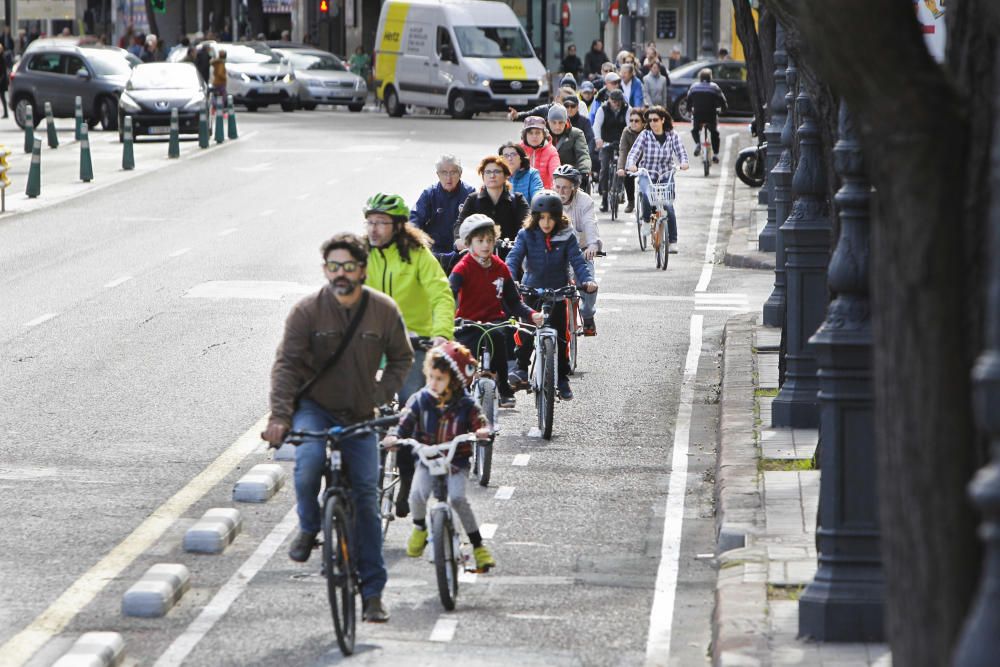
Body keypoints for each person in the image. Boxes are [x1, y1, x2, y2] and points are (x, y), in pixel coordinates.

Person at [262, 232, 413, 624]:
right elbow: (286, 367)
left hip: (361, 413)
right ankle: (309, 526)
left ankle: (374, 593)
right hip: (316, 408)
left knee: (365, 497)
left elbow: (401, 358)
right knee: (308, 461)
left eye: (348, 266)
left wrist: (380, 394)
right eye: (333, 267)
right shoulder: (306, 311)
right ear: (325, 269)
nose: (340, 274)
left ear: (362, 270)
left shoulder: (382, 310)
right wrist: (280, 417)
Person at [363, 192, 456, 519]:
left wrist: (441, 334)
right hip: (370, 344)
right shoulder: (361, 254)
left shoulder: (417, 254)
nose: (374, 229)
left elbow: (441, 294)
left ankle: (405, 480)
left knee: (409, 415)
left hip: (411, 344)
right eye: (370, 222)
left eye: (382, 223)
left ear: (398, 226)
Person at [382, 342, 496, 571]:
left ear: (454, 381)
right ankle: (420, 527)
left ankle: (478, 546)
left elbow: (480, 422)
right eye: (431, 377)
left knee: (457, 499)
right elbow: (405, 423)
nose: (433, 383)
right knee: (416, 495)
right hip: (426, 459)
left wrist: (483, 431)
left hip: (456, 461)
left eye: (440, 379)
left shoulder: (465, 403)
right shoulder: (421, 399)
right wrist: (396, 438)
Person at [506, 191, 597, 401]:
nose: (546, 222)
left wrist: (586, 281)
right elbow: (513, 258)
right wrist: (510, 278)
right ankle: (521, 368)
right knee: (527, 331)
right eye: (542, 217)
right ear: (535, 217)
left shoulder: (567, 235)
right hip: (531, 290)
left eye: (551, 217)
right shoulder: (525, 234)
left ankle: (562, 378)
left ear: (558, 217)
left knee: (562, 336)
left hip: (558, 291)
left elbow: (578, 262)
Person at [450, 214, 542, 407]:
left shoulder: (500, 267)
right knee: (464, 356)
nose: (486, 245)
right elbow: (449, 295)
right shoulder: (462, 268)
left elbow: (514, 301)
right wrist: (447, 318)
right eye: (480, 241)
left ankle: (504, 388)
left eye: (490, 240)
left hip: (494, 321)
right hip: (468, 322)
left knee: (500, 341)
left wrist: (531, 314)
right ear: (469, 243)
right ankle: (463, 392)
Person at [625, 106, 689, 253]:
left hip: (666, 175)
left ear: (663, 120)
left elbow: (681, 152)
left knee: (668, 206)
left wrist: (684, 163)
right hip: (647, 174)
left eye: (655, 120)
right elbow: (634, 153)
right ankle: (646, 220)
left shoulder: (672, 135)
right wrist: (632, 165)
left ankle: (673, 241)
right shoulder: (645, 135)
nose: (652, 123)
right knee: (647, 195)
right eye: (650, 120)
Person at [552, 165, 601, 336]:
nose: (560, 191)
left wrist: (593, 245)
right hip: (556, 252)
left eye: (565, 187)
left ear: (574, 187)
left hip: (581, 251)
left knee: (589, 285)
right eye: (557, 186)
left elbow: (590, 224)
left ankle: (587, 316)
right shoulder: (549, 200)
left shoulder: (585, 201)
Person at [455, 155, 530, 246]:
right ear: (483, 176)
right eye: (487, 172)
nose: (492, 175)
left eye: (497, 171)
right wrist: (459, 239)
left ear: (506, 175)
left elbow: (526, 225)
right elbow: (461, 224)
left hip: (510, 255)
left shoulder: (518, 200)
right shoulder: (473, 199)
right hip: (480, 254)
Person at [410, 155, 477, 255]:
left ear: (460, 173)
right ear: (438, 174)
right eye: (444, 172)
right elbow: (414, 219)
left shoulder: (470, 193)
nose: (448, 177)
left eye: (453, 172)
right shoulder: (429, 193)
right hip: (434, 251)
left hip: (462, 251)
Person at [593, 89, 628, 212]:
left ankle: (620, 190)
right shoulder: (602, 109)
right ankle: (604, 198)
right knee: (604, 168)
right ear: (609, 100)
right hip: (606, 142)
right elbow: (596, 125)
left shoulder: (627, 109)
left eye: (618, 101)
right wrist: (598, 139)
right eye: (614, 101)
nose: (616, 104)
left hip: (621, 142)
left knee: (623, 167)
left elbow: (630, 125)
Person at [687, 68, 728, 163]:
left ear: (700, 78)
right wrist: (723, 109)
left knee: (695, 130)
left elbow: (689, 100)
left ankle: (698, 143)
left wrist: (689, 110)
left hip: (698, 114)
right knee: (714, 133)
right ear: (710, 77)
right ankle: (716, 155)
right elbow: (723, 101)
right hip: (711, 114)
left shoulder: (693, 87)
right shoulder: (714, 87)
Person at [546, 104, 591, 189]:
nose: (557, 126)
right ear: (548, 122)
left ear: (566, 121)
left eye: (560, 122)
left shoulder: (576, 134)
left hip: (571, 177)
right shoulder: (542, 135)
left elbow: (583, 154)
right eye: (554, 122)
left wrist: (584, 171)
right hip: (548, 179)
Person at [616, 108, 646, 214]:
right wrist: (621, 167)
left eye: (637, 121)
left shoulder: (648, 132)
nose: (633, 123)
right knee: (627, 177)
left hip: (645, 162)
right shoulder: (626, 131)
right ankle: (631, 202)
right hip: (631, 161)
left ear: (643, 123)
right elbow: (623, 151)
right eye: (631, 120)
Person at [519, 116, 561, 189]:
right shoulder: (518, 149)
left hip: (543, 195)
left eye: (538, 133)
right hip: (521, 192)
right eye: (530, 133)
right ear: (525, 135)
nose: (534, 136)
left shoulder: (551, 151)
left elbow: (556, 174)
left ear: (544, 135)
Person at [210, 49, 228, 113]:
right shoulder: (221, 63)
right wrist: (225, 78)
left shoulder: (216, 62)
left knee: (216, 95)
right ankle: (219, 107)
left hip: (216, 82)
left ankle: (215, 106)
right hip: (221, 83)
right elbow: (220, 73)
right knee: (224, 96)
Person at [0, 44, 9, 118]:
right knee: (2, 97)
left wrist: (1, 79)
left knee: (3, 97)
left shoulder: (2, 58)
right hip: (1, 79)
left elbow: (3, 71)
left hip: (2, 81)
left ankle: (6, 112)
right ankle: (5, 112)